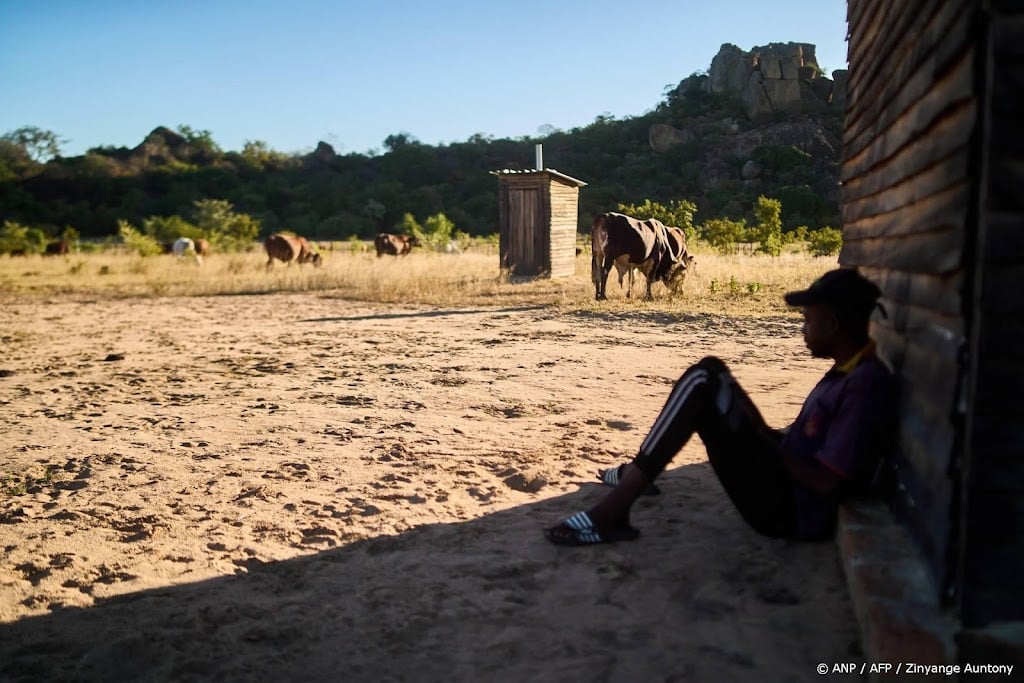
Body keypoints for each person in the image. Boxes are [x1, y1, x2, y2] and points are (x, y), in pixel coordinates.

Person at [545, 267, 898, 546]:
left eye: (807, 320)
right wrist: (762, 432)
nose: (803, 330)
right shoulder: (846, 371)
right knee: (714, 373)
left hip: (788, 511)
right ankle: (635, 475)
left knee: (703, 383)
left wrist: (765, 442)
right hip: (783, 486)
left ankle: (613, 511)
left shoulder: (864, 385)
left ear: (833, 324)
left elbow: (828, 484)